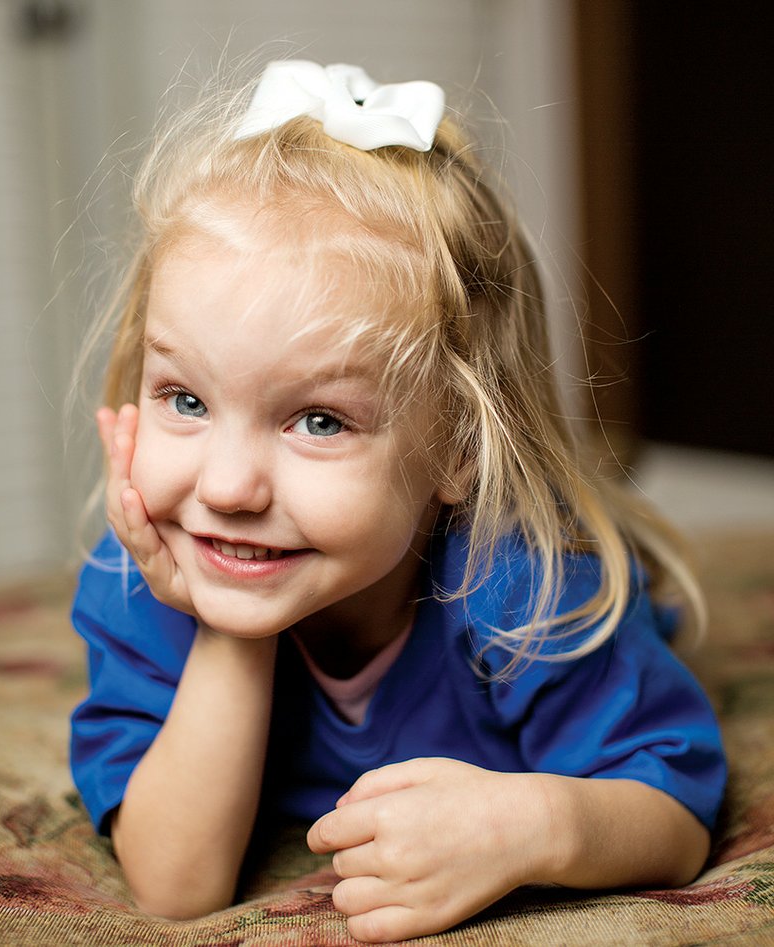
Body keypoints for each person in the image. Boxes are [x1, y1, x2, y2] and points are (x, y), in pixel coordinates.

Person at [70, 59, 726, 944]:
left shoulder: (524, 584)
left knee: (615, 599)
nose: (225, 489)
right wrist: (230, 626)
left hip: (538, 604)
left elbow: (673, 812)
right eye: (185, 399)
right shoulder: (137, 572)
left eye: (317, 419)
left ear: (457, 445)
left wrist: (538, 823)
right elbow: (176, 884)